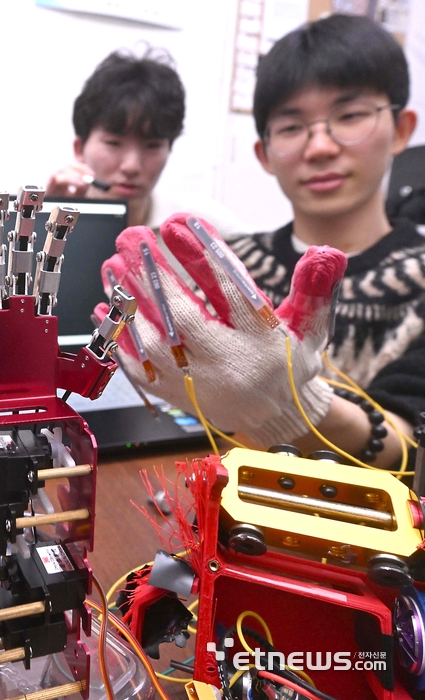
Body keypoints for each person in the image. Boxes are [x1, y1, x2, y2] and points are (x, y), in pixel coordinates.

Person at [97, 13, 425, 472]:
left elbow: (409, 445)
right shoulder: (230, 265)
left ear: (402, 129)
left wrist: (290, 409)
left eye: (350, 116)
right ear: (264, 153)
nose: (320, 147)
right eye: (291, 127)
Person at [46, 47, 249, 240]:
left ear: (169, 147)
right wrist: (47, 226)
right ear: (79, 148)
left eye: (152, 145)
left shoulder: (203, 228)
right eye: (113, 143)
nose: (132, 166)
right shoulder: (46, 220)